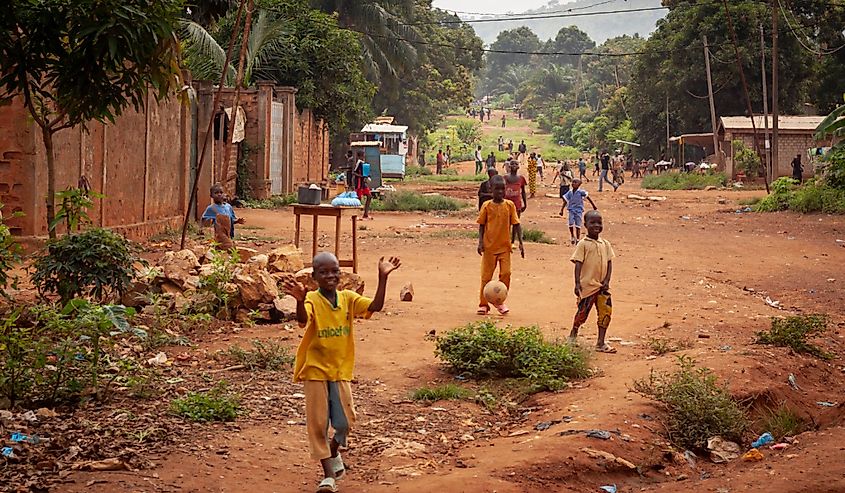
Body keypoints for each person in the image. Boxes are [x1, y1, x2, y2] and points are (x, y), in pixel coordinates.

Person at [282, 252, 401, 493]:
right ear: (314, 277)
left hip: (340, 369)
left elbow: (375, 307)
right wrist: (299, 300)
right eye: (323, 272)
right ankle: (328, 477)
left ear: (340, 273)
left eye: (334, 271)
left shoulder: (347, 298)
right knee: (317, 425)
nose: (330, 276)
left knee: (345, 421)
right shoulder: (312, 299)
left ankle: (334, 450)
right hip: (314, 369)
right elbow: (303, 321)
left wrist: (382, 278)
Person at [569, 210, 616, 353]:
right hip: (587, 287)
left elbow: (609, 263)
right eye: (593, 222)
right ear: (585, 225)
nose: (596, 225)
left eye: (599, 223)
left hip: (602, 287)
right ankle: (573, 334)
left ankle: (601, 342)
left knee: (605, 313)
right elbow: (578, 264)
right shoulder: (582, 244)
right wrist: (577, 284)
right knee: (582, 313)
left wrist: (607, 280)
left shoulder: (605, 244)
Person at [477, 175, 523, 316]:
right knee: (486, 277)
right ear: (491, 190)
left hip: (505, 247)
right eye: (497, 189)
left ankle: (500, 300)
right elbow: (481, 225)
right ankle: (483, 304)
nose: (500, 192)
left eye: (503, 189)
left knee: (506, 274)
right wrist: (480, 243)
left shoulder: (509, 206)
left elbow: (516, 224)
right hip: (489, 248)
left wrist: (520, 243)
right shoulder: (487, 206)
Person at [560, 178, 598, 245]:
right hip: (571, 209)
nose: (573, 184)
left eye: (575, 182)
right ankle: (572, 236)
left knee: (578, 225)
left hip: (579, 210)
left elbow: (588, 198)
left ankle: (577, 239)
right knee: (571, 223)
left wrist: (593, 205)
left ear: (579, 184)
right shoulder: (570, 192)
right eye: (573, 182)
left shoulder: (581, 192)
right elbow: (565, 201)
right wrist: (561, 210)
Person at [352, 151, 373, 219]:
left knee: (369, 196)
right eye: (362, 156)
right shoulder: (358, 163)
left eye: (363, 156)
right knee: (358, 199)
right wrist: (361, 176)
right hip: (358, 183)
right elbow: (354, 172)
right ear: (359, 156)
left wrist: (367, 176)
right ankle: (355, 215)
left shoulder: (364, 163)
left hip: (363, 183)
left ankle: (365, 214)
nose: (363, 157)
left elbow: (365, 173)